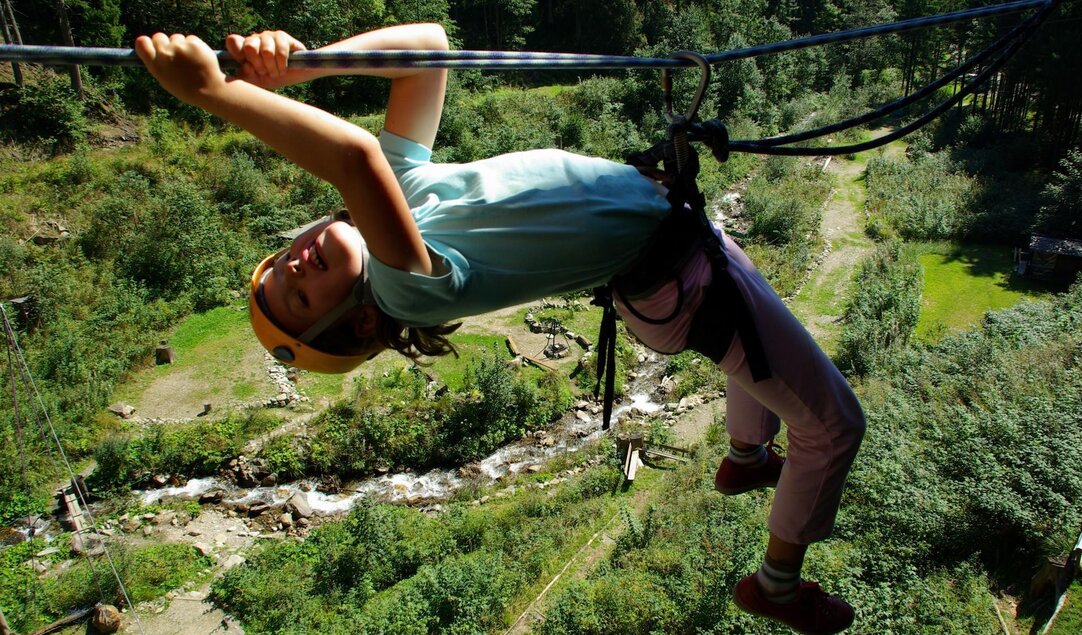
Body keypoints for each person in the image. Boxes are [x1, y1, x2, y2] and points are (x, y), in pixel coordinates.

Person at [134, 23, 866, 635]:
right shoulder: (406, 286)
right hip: (684, 281)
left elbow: (428, 48)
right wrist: (217, 94)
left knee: (763, 356)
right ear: (357, 318)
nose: (296, 264)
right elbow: (352, 159)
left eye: (282, 268)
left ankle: (746, 454)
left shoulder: (405, 194)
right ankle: (774, 585)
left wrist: (302, 67)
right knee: (834, 425)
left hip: (680, 257)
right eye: (299, 294)